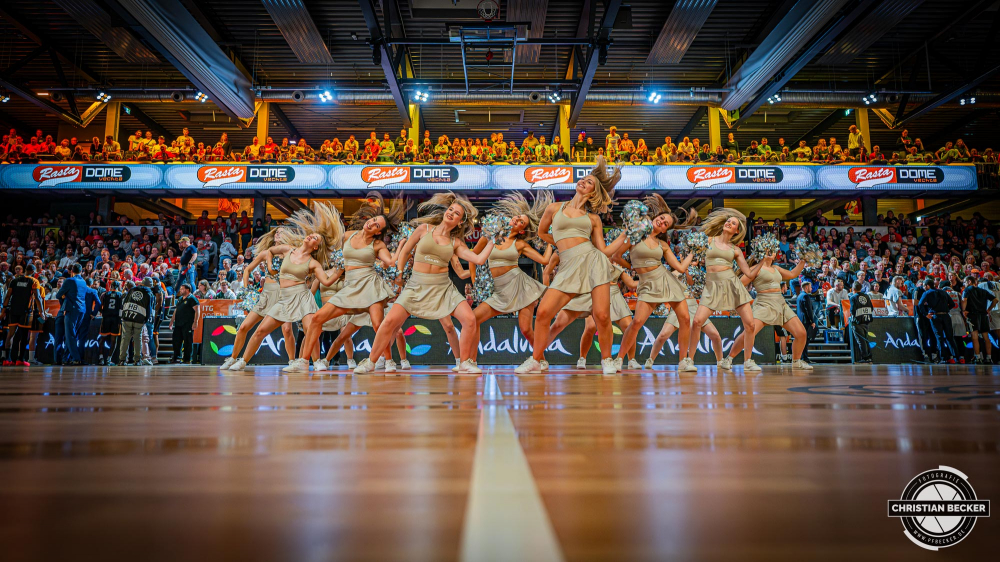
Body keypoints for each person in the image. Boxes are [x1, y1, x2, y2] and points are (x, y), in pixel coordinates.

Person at [354, 192, 495, 374]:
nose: (451, 213)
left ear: (460, 222)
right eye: (451, 209)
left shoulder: (456, 242)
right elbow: (404, 252)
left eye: (457, 213)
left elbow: (479, 259)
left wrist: (493, 239)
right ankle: (371, 362)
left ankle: (465, 362)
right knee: (389, 322)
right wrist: (399, 274)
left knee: (469, 319)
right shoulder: (424, 230)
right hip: (416, 285)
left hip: (443, 288)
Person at [514, 156, 625, 375]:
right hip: (568, 265)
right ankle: (537, 360)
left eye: (590, 182)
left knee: (602, 316)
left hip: (594, 262)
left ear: (593, 192)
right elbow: (542, 232)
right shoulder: (554, 208)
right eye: (584, 178)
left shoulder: (593, 219)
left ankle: (607, 360)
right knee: (544, 312)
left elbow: (603, 250)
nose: (584, 181)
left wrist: (624, 236)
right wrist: (562, 246)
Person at [299, 193, 407, 372]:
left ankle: (389, 361)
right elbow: (332, 249)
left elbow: (389, 262)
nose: (372, 223)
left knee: (378, 325)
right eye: (373, 220)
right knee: (317, 318)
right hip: (350, 286)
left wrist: (402, 245)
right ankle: (304, 361)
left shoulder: (377, 244)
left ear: (378, 231)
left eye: (377, 225)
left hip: (370, 285)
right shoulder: (347, 235)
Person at [230, 203, 343, 373]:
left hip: (302, 297)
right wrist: (269, 265)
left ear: (316, 247)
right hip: (284, 298)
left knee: (310, 329)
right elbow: (269, 252)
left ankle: (317, 361)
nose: (310, 237)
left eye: (315, 239)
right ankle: (242, 361)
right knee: (261, 330)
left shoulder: (313, 263)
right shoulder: (288, 249)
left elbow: (326, 282)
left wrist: (341, 269)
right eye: (311, 235)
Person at [465, 191, 554, 372]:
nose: (517, 220)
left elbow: (544, 261)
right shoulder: (491, 235)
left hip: (521, 287)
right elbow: (472, 257)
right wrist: (475, 283)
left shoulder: (520, 244)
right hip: (498, 290)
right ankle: (471, 361)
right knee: (473, 319)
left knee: (526, 330)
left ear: (521, 230)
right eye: (518, 217)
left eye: (522, 222)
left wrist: (552, 241)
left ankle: (541, 360)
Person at [614, 195, 696, 370]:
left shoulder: (663, 245)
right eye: (661, 218)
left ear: (665, 230)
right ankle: (619, 359)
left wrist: (692, 253)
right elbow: (616, 256)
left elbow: (680, 269)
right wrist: (632, 267)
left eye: (666, 224)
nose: (662, 223)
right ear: (655, 217)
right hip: (648, 284)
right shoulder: (635, 236)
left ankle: (683, 361)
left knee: (685, 318)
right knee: (636, 323)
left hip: (666, 280)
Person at [688, 208, 762, 372]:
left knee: (750, 325)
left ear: (737, 230)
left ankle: (748, 361)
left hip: (732, 285)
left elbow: (748, 273)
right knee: (697, 321)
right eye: (728, 221)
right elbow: (693, 256)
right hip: (712, 287)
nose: (729, 223)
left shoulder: (735, 249)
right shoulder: (708, 240)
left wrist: (762, 260)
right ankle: (689, 360)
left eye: (733, 223)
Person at [220, 227, 297, 370]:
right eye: (276, 232)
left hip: (283, 295)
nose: (278, 234)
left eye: (281, 232)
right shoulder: (266, 253)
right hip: (266, 295)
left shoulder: (290, 252)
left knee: (287, 330)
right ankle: (232, 358)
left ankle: (292, 361)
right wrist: (244, 287)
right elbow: (247, 269)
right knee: (243, 327)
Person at [723, 252, 811, 369]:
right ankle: (728, 359)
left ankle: (796, 362)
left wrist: (803, 261)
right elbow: (740, 284)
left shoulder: (776, 268)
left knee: (801, 333)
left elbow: (792, 273)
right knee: (749, 333)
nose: (770, 252)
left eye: (772, 250)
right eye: (767, 249)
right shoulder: (756, 268)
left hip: (780, 304)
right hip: (763, 304)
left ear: (775, 255)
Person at [1, 264, 44, 366]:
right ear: (33, 271)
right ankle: (20, 359)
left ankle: (7, 359)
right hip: (26, 311)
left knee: (10, 335)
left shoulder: (14, 280)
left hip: (13, 310)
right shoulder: (34, 281)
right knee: (24, 335)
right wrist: (41, 312)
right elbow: (37, 296)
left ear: (25, 270)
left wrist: (3, 310)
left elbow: (7, 296)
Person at [917, 278, 958, 364]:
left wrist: (926, 314)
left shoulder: (927, 293)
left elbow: (920, 304)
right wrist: (946, 309)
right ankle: (956, 357)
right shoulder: (943, 292)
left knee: (939, 337)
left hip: (935, 316)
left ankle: (944, 358)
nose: (924, 287)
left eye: (924, 286)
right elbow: (952, 304)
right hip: (946, 315)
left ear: (927, 286)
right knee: (950, 337)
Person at [54, 263, 87, 365]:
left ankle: (76, 358)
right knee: (73, 334)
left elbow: (58, 294)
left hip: (71, 309)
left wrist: (65, 296)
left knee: (70, 335)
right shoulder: (83, 281)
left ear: (71, 271)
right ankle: (67, 358)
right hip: (82, 310)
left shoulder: (69, 280)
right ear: (81, 271)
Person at [118, 278, 155, 366]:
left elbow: (124, 302)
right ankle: (137, 360)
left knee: (125, 339)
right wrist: (145, 319)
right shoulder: (149, 293)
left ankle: (122, 360)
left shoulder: (132, 289)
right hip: (139, 318)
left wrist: (122, 315)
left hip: (127, 316)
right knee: (138, 339)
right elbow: (149, 308)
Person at [961, 277, 996, 364]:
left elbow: (964, 300)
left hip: (973, 315)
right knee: (986, 338)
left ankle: (978, 357)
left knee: (974, 337)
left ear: (969, 281)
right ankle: (989, 357)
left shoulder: (967, 290)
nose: (964, 284)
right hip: (983, 315)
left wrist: (963, 310)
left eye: (965, 282)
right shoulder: (983, 291)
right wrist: (988, 309)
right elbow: (995, 300)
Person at [171, 283, 200, 364]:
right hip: (178, 324)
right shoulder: (180, 299)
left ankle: (187, 359)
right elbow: (176, 310)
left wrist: (195, 322)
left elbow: (197, 311)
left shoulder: (192, 299)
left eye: (182, 289)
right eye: (180, 289)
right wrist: (172, 321)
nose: (180, 290)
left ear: (187, 290)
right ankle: (176, 357)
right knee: (176, 341)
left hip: (187, 324)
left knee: (187, 341)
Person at [848, 281, 874, 363]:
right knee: (865, 339)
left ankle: (865, 357)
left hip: (857, 322)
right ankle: (869, 356)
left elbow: (852, 310)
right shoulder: (867, 296)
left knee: (861, 340)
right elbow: (871, 308)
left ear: (853, 289)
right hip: (866, 321)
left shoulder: (853, 297)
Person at [99, 281, 123, 365]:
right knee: (113, 340)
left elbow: (100, 306)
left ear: (110, 286)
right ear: (118, 287)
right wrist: (120, 319)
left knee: (103, 338)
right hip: (116, 319)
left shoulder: (105, 294)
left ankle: (101, 357)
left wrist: (104, 312)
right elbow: (121, 308)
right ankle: (109, 358)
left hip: (106, 318)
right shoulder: (120, 295)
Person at [796, 280, 818, 363]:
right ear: (806, 287)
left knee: (803, 340)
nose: (812, 288)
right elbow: (808, 310)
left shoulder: (799, 296)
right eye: (810, 286)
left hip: (801, 320)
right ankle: (804, 357)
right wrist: (812, 321)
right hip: (806, 321)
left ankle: (804, 357)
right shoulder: (805, 296)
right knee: (805, 340)